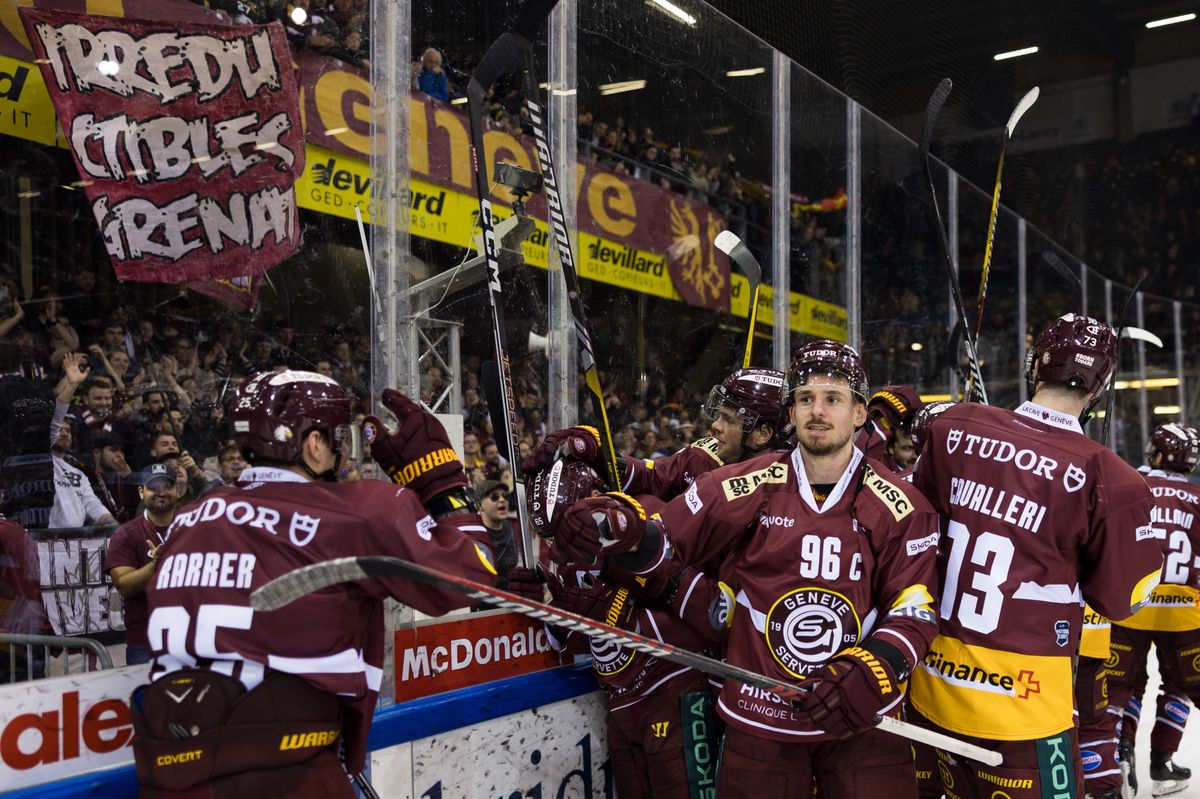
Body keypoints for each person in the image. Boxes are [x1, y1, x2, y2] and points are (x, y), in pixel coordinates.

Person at [553, 341, 942, 797]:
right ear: (791, 413)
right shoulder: (740, 485)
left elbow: (915, 611)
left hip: (859, 721)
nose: (818, 411)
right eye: (805, 399)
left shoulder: (902, 506)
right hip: (760, 720)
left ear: (859, 413)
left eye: (833, 398)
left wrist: (874, 668)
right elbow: (660, 540)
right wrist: (610, 528)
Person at [131, 372, 499, 797]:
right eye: (338, 437)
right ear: (314, 444)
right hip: (287, 774)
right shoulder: (357, 513)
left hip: (170, 773)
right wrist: (440, 481)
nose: (342, 451)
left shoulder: (190, 518)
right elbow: (474, 575)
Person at [906, 313, 1164, 799]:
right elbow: (1123, 599)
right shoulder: (1111, 477)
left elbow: (913, 533)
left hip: (930, 688)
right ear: (1100, 388)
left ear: (1035, 364)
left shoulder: (954, 425)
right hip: (1025, 710)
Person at [529, 459, 729, 798]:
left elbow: (715, 619)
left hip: (675, 690)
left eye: (565, 529)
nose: (561, 546)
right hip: (621, 707)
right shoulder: (566, 559)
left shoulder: (650, 517)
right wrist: (549, 615)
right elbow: (587, 645)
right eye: (551, 537)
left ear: (593, 497)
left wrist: (623, 619)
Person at [523, 368, 787, 503]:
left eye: (728, 419)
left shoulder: (788, 492)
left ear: (762, 434)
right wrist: (600, 455)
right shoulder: (703, 456)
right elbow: (652, 477)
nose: (714, 427)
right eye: (718, 415)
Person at [1107, 423, 1200, 798]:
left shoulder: (1130, 485)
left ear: (1158, 454)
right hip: (1184, 613)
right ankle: (1162, 764)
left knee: (1121, 686)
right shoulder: (1197, 496)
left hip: (1130, 605)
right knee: (1178, 686)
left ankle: (1118, 760)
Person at [105, 463, 178, 666]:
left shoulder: (193, 527)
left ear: (178, 491)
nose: (161, 492)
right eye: (153, 487)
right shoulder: (126, 533)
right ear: (141, 492)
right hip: (145, 643)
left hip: (191, 637)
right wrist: (156, 564)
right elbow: (124, 585)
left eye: (168, 486)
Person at [857, 385, 924, 472]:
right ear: (891, 447)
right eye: (908, 448)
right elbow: (861, 456)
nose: (916, 455)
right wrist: (885, 417)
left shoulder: (930, 469)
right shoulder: (880, 471)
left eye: (920, 447)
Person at [475, 479, 518, 593]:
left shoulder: (510, 528)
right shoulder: (476, 534)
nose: (502, 500)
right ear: (480, 505)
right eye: (495, 497)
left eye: (505, 496)